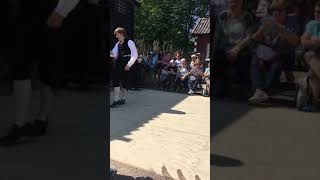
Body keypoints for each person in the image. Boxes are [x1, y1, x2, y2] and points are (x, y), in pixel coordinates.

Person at [0, 0, 80, 146]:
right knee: (20, 64)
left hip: (47, 9)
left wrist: (62, 10)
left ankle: (40, 118)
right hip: (21, 9)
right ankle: (22, 123)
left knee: (46, 65)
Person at [248, 0, 300, 104]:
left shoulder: (292, 21)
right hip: (268, 53)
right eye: (273, 11)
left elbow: (296, 42)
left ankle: (262, 91)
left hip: (284, 55)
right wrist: (260, 33)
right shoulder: (266, 21)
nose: (276, 13)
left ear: (286, 12)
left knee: (276, 64)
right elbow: (253, 39)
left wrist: (280, 29)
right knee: (255, 58)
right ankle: (260, 91)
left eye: (279, 10)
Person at [213, 0, 257, 96]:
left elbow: (249, 36)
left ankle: (245, 86)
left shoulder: (247, 17)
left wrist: (237, 49)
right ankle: (219, 84)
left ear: (241, 2)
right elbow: (217, 36)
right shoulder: (222, 16)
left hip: (241, 48)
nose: (233, 3)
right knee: (217, 57)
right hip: (225, 48)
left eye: (235, 1)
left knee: (245, 58)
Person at [298, 0, 320, 111]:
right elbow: (303, 41)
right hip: (313, 55)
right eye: (316, 11)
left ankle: (314, 102)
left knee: (313, 73)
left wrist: (315, 41)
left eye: (319, 12)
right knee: (310, 55)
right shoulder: (312, 24)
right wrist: (315, 42)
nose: (317, 14)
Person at [110, 27, 138, 108]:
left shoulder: (130, 42)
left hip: (126, 63)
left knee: (125, 82)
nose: (116, 36)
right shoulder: (117, 44)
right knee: (116, 80)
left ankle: (123, 98)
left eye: (117, 34)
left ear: (121, 33)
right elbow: (114, 55)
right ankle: (116, 100)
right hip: (118, 64)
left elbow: (135, 55)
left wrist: (129, 65)